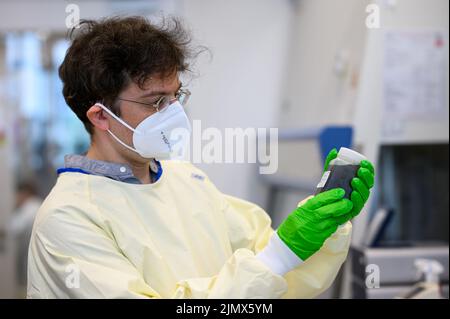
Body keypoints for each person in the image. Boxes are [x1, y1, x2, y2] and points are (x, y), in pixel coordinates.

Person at [27, 16, 375, 298]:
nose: (174, 113)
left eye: (176, 95)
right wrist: (279, 255)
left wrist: (324, 222)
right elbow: (271, 262)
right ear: (101, 116)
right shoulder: (69, 216)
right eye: (155, 101)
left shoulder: (185, 178)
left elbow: (276, 269)